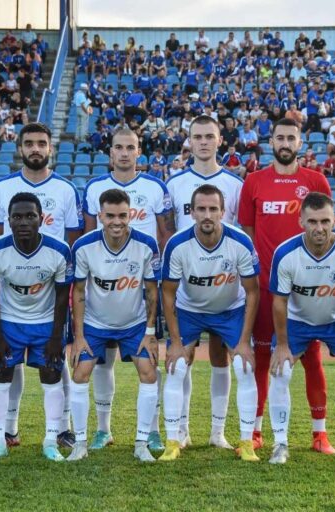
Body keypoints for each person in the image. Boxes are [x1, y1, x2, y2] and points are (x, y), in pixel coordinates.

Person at [238, 118, 334, 453]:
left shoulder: (315, 180)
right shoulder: (253, 182)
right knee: (263, 357)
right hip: (267, 286)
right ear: (270, 141)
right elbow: (247, 234)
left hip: (307, 288)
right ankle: (256, 430)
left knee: (312, 359)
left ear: (300, 143)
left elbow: (325, 229)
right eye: (280, 137)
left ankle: (319, 434)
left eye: (291, 138)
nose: (285, 142)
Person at [0, 122, 83, 449]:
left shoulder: (66, 190)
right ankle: (9, 429)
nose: (36, 149)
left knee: (56, 362)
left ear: (50, 148)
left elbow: (73, 242)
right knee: (7, 366)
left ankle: (63, 428)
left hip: (51, 292)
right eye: (29, 143)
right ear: (20, 148)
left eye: (42, 143)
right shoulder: (2, 188)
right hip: (14, 290)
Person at [80, 127, 174, 451]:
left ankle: (152, 430)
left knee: (149, 360)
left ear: (139, 151)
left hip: (140, 286)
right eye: (118, 147)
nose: (123, 152)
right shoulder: (94, 188)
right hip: (103, 292)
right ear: (110, 152)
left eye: (129, 147)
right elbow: (87, 240)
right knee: (101, 362)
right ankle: (103, 429)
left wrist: (157, 281)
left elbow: (165, 236)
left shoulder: (154, 187)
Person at [268, 192, 335, 465]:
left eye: (325, 221)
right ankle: (280, 443)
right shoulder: (285, 253)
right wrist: (281, 346)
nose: (319, 228)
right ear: (301, 220)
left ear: (334, 220)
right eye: (313, 221)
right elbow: (279, 303)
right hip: (296, 322)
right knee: (281, 371)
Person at [160, 184, 260, 462]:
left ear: (223, 211)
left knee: (243, 364)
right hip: (190, 310)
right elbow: (167, 293)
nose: (207, 215)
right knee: (176, 365)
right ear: (191, 212)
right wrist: (176, 342)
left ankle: (236, 438)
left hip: (230, 310)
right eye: (201, 209)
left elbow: (253, 291)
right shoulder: (178, 245)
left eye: (213, 209)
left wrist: (243, 342)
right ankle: (175, 437)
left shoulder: (239, 242)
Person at [165, 116, 244, 450]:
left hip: (226, 289)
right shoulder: (174, 183)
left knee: (221, 356)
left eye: (209, 137)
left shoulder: (236, 185)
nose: (203, 142)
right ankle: (181, 430)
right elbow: (168, 231)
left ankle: (217, 432)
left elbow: (242, 236)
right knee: (184, 358)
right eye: (197, 137)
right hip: (187, 291)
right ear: (189, 140)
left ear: (220, 141)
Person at [66, 188, 162, 463]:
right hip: (95, 324)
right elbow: (79, 292)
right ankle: (81, 443)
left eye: (122, 215)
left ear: (130, 214)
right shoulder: (84, 246)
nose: (116, 221)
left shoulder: (146, 244)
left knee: (148, 372)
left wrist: (151, 332)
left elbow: (152, 290)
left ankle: (142, 442)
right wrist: (79, 336)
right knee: (80, 373)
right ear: (100, 216)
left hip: (134, 324)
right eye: (110, 216)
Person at [0, 192, 72, 462]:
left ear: (41, 219)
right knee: (0, 378)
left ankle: (50, 440)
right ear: (8, 220)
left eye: (30, 216)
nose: (23, 221)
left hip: (45, 324)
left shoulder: (58, 250)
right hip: (8, 323)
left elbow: (61, 297)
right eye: (17, 216)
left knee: (51, 379)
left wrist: (57, 336)